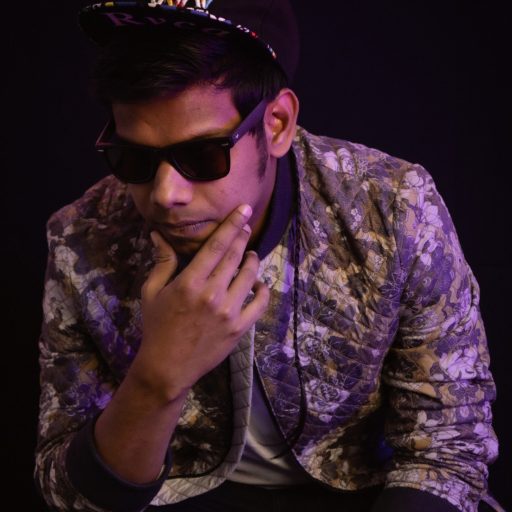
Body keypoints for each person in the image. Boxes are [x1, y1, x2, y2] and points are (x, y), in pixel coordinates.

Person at [35, 1, 503, 511]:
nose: (166, 194)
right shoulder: (81, 239)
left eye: (202, 155)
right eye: (133, 158)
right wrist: (158, 376)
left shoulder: (392, 207)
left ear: (277, 124)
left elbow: (447, 451)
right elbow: (69, 495)